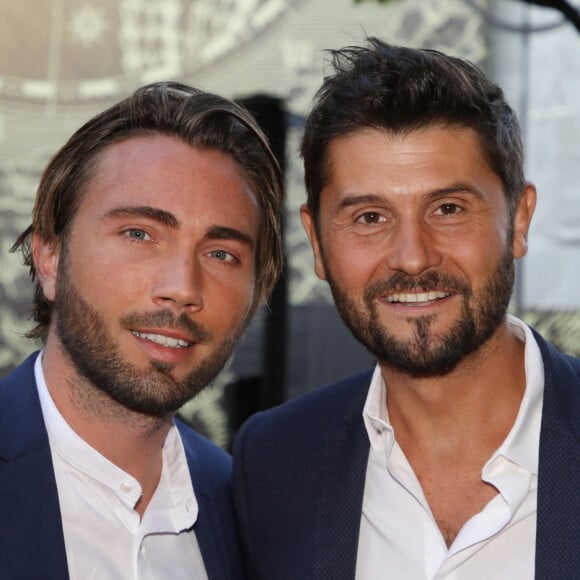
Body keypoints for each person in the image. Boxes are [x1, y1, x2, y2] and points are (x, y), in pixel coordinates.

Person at [232, 38, 580, 579]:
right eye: (370, 217)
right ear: (317, 243)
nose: (412, 257)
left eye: (448, 208)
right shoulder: (275, 464)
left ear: (518, 220)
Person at [0, 81, 283, 580]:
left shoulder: (250, 512)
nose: (182, 288)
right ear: (49, 257)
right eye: (139, 234)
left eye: (222, 254)